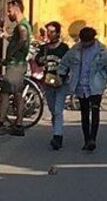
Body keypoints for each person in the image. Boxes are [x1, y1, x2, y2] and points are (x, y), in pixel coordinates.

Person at [59, 26, 107, 151]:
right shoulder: (76, 50)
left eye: (87, 42)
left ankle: (93, 139)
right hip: (80, 85)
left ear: (92, 40)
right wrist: (60, 74)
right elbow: (64, 62)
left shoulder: (102, 51)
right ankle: (86, 139)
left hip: (96, 86)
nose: (85, 44)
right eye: (83, 41)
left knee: (95, 112)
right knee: (84, 113)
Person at [0, 0, 31, 136]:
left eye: (10, 11)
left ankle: (2, 124)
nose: (8, 14)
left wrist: (11, 53)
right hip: (19, 65)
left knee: (6, 94)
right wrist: (6, 36)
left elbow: (22, 39)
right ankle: (18, 123)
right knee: (17, 94)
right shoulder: (25, 25)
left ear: (16, 10)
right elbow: (17, 39)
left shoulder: (21, 26)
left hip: (15, 65)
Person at [34, 21, 70, 150]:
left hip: (61, 82)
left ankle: (57, 137)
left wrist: (65, 75)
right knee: (52, 109)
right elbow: (37, 60)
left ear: (58, 33)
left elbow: (70, 63)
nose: (49, 34)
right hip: (48, 81)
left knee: (58, 110)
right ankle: (56, 131)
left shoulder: (64, 48)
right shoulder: (44, 48)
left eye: (52, 31)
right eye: (48, 31)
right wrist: (40, 60)